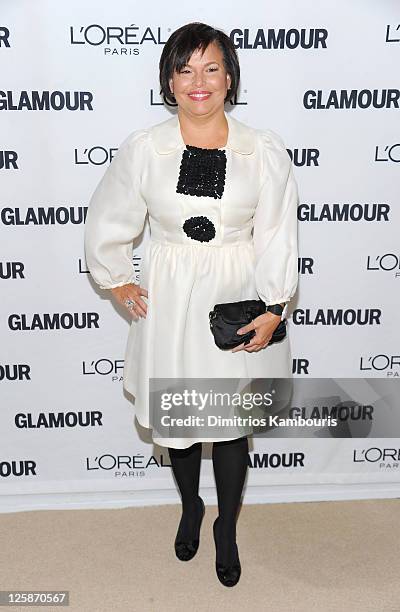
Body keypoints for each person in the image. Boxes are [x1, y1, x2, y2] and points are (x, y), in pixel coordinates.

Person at [84, 22, 299, 588]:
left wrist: (275, 305)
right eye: (185, 69)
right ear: (169, 80)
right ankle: (190, 507)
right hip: (172, 290)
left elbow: (277, 232)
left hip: (235, 288)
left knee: (228, 424)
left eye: (210, 68)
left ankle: (226, 527)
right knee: (180, 415)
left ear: (229, 76)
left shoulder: (263, 150)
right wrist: (116, 278)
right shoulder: (145, 148)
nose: (198, 82)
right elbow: (110, 215)